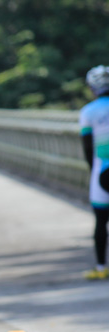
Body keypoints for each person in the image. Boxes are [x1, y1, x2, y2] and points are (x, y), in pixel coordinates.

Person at [80, 66, 109, 280]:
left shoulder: (88, 112)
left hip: (103, 171)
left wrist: (93, 172)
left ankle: (101, 268)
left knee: (101, 221)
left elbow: (88, 148)